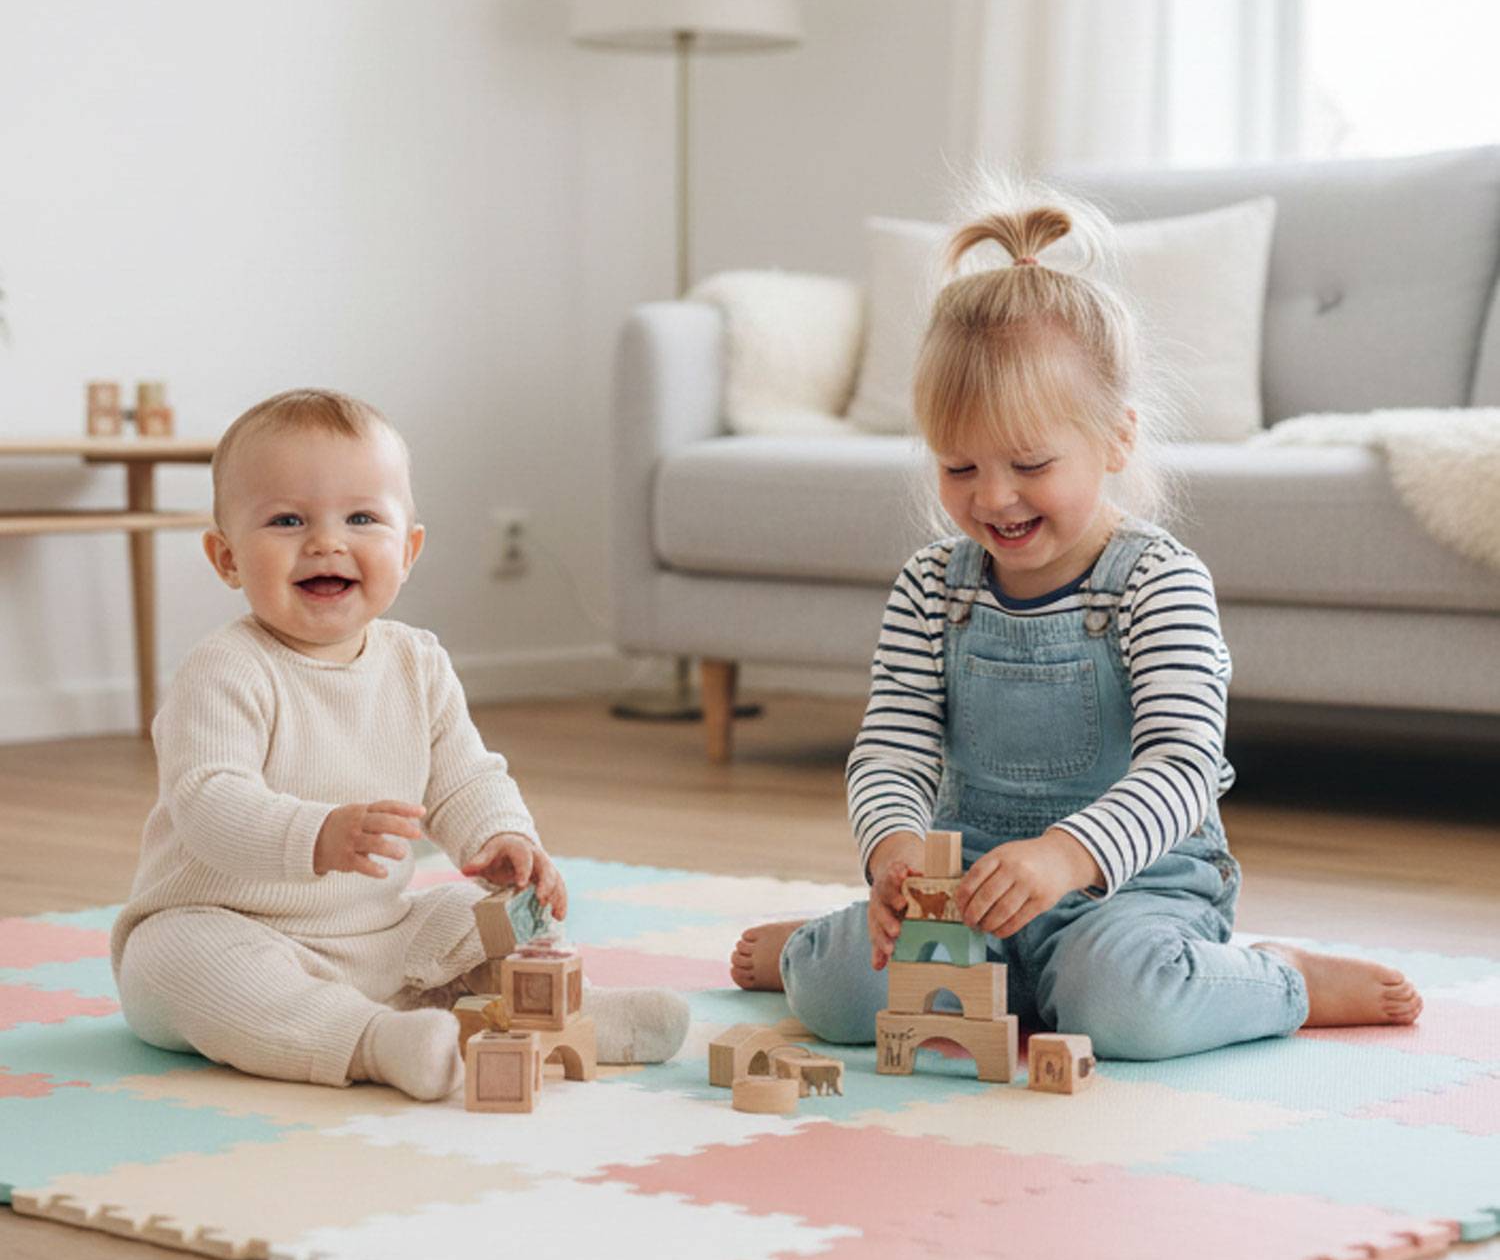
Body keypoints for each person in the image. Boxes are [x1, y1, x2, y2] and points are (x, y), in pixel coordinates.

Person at [731, 189, 1422, 1057]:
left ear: (1117, 440)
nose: (992, 496)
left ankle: (1279, 978)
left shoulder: (1157, 582)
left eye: (1029, 463)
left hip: (1130, 896)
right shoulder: (929, 587)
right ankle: (826, 949)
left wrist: (1065, 855)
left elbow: (1183, 767)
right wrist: (894, 853)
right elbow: (892, 742)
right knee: (838, 996)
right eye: (958, 465)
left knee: (1124, 1007)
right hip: (969, 898)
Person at [112, 388, 687, 1100]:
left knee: (473, 923)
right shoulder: (224, 670)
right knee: (173, 962)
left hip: (381, 935)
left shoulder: (418, 663)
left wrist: (504, 837)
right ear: (226, 557)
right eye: (287, 520)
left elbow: (464, 777)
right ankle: (372, 1041)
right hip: (232, 927)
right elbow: (207, 801)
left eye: (361, 518)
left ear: (407, 549)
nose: (327, 542)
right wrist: (315, 834)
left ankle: (570, 1011)